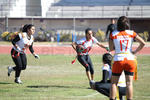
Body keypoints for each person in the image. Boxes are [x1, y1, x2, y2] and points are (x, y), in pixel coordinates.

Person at [109, 16, 145, 100]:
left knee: (114, 83)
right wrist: (134, 52)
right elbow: (143, 43)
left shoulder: (113, 34)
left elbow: (111, 49)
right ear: (127, 24)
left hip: (118, 59)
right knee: (129, 83)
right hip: (130, 59)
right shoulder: (132, 33)